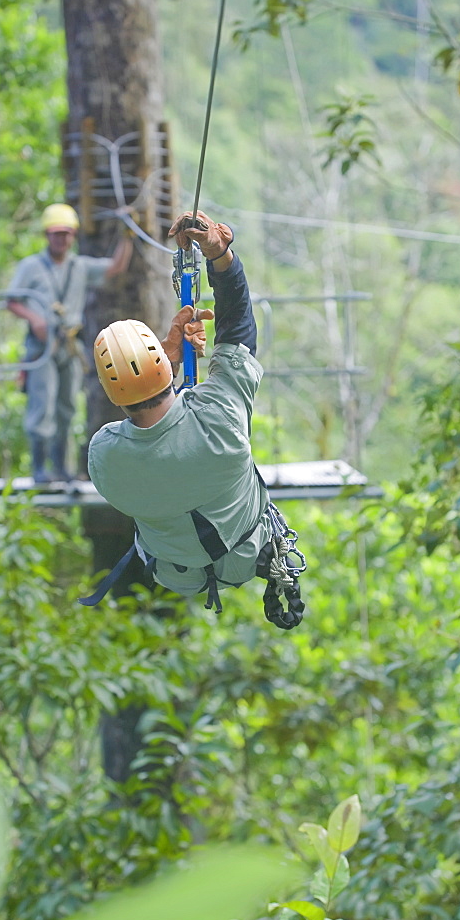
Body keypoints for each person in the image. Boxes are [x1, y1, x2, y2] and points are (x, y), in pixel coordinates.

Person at [83, 209, 305, 629]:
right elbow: (238, 330)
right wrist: (220, 256)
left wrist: (167, 367)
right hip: (246, 552)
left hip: (174, 572)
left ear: (113, 394)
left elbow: (154, 436)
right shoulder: (221, 422)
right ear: (164, 370)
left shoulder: (104, 458)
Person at [7, 204, 132, 482]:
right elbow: (12, 301)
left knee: (67, 407)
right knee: (43, 404)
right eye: (55, 234)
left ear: (73, 235)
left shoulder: (79, 266)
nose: (60, 239)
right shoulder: (32, 267)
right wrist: (34, 318)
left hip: (70, 346)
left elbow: (115, 267)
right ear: (46, 235)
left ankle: (61, 468)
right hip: (43, 346)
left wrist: (127, 233)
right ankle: (40, 469)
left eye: (65, 234)